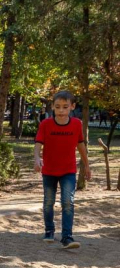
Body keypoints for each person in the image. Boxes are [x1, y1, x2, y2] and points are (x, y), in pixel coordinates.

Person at [34, 90, 91, 249]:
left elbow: (80, 145)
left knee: (68, 202)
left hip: (68, 171)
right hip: (49, 170)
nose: (61, 110)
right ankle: (49, 230)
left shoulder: (76, 124)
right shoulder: (45, 124)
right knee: (48, 202)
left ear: (72, 107)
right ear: (52, 106)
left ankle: (67, 237)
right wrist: (36, 158)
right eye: (57, 106)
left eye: (65, 107)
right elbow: (38, 144)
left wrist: (87, 165)